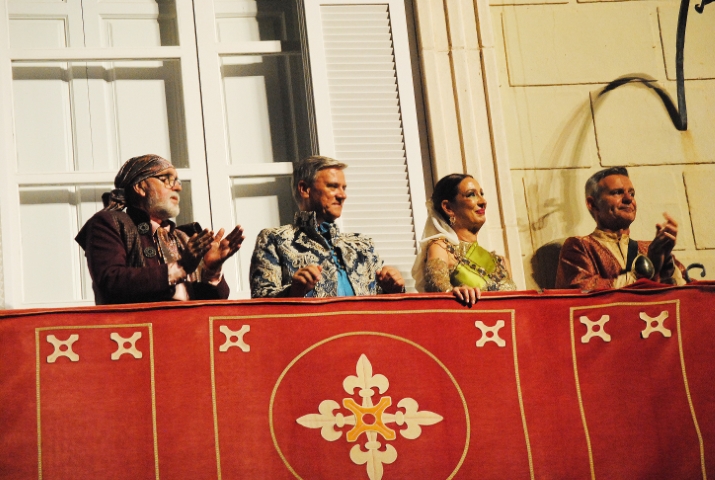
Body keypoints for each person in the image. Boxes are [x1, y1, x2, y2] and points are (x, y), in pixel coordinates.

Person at [75, 154, 244, 304]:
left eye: (176, 181)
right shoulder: (109, 223)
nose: (177, 187)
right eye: (167, 180)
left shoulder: (183, 237)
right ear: (140, 187)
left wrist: (211, 270)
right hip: (138, 328)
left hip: (188, 328)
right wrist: (181, 267)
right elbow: (111, 281)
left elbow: (213, 306)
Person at [250, 155, 405, 298]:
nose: (342, 195)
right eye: (333, 186)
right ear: (304, 189)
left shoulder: (362, 245)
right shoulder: (274, 239)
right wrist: (294, 291)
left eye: (343, 188)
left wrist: (393, 289)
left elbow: (382, 306)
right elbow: (260, 302)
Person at [555, 166, 686, 290]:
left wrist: (666, 263)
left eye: (632, 193)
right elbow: (582, 291)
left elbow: (688, 292)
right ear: (593, 204)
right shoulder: (580, 247)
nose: (629, 199)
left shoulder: (651, 248)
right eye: (617, 192)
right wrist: (647, 267)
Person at [411, 174, 517, 304]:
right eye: (471, 194)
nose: (483, 201)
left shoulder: (501, 262)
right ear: (448, 208)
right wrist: (455, 292)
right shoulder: (442, 248)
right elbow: (438, 292)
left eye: (481, 194)